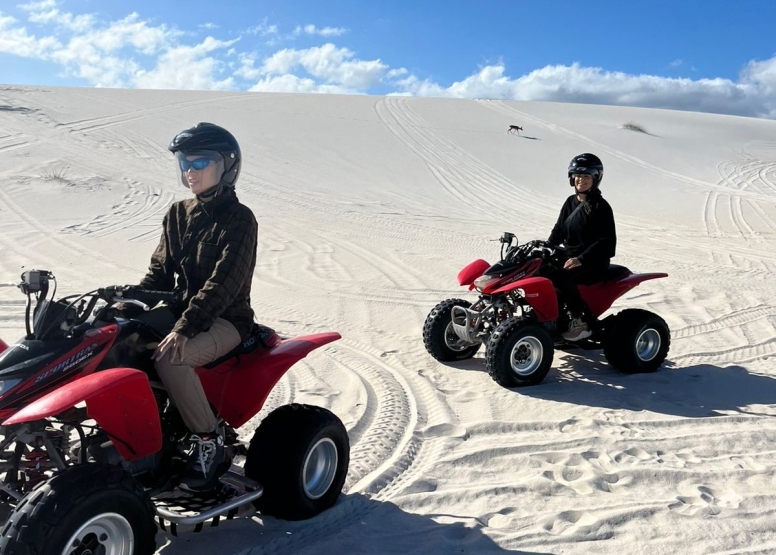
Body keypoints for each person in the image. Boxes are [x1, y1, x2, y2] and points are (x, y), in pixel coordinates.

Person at [137, 122, 258, 492]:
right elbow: (158, 273)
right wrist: (131, 304)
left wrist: (183, 329)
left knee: (171, 358)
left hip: (226, 319)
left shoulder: (240, 219)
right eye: (185, 162)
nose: (191, 171)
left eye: (201, 161)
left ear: (227, 166)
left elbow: (222, 285)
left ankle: (210, 442)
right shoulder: (177, 214)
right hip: (182, 315)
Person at [545, 153, 616, 341]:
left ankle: (579, 319)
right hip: (569, 255)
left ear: (595, 178)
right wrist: (547, 247)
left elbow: (606, 242)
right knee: (540, 268)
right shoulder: (570, 202)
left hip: (593, 261)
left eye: (586, 176)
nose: (580, 180)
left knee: (560, 276)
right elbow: (559, 229)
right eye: (577, 175)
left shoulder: (601, 207)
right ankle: (548, 317)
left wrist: (580, 259)